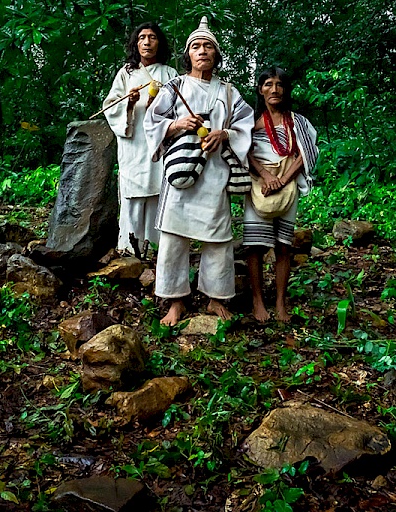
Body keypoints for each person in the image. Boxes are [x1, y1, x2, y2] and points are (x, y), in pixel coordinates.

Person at [145, 17, 254, 326]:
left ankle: (215, 299)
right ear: (188, 54)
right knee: (173, 237)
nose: (202, 51)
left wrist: (226, 134)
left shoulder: (229, 92)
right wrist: (177, 124)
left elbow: (245, 124)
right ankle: (176, 301)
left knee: (218, 237)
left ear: (216, 56)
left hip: (215, 172)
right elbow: (152, 121)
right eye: (195, 46)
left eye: (207, 46)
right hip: (181, 172)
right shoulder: (175, 87)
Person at [244, 67, 319, 323]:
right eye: (268, 84)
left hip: (287, 186)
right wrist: (266, 176)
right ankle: (257, 301)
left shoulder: (297, 122)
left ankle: (280, 303)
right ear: (260, 89)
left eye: (279, 84)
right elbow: (243, 151)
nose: (274, 89)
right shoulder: (250, 121)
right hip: (259, 186)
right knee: (254, 247)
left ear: (285, 90)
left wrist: (283, 179)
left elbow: (307, 153)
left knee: (284, 247)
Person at [102, 23, 178, 257]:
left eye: (152, 37)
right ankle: (128, 250)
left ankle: (155, 250)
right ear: (136, 43)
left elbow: (179, 107)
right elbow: (109, 106)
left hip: (159, 144)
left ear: (159, 43)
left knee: (158, 193)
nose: (147, 42)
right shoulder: (126, 73)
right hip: (134, 143)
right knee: (133, 193)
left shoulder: (170, 74)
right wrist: (129, 102)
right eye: (142, 37)